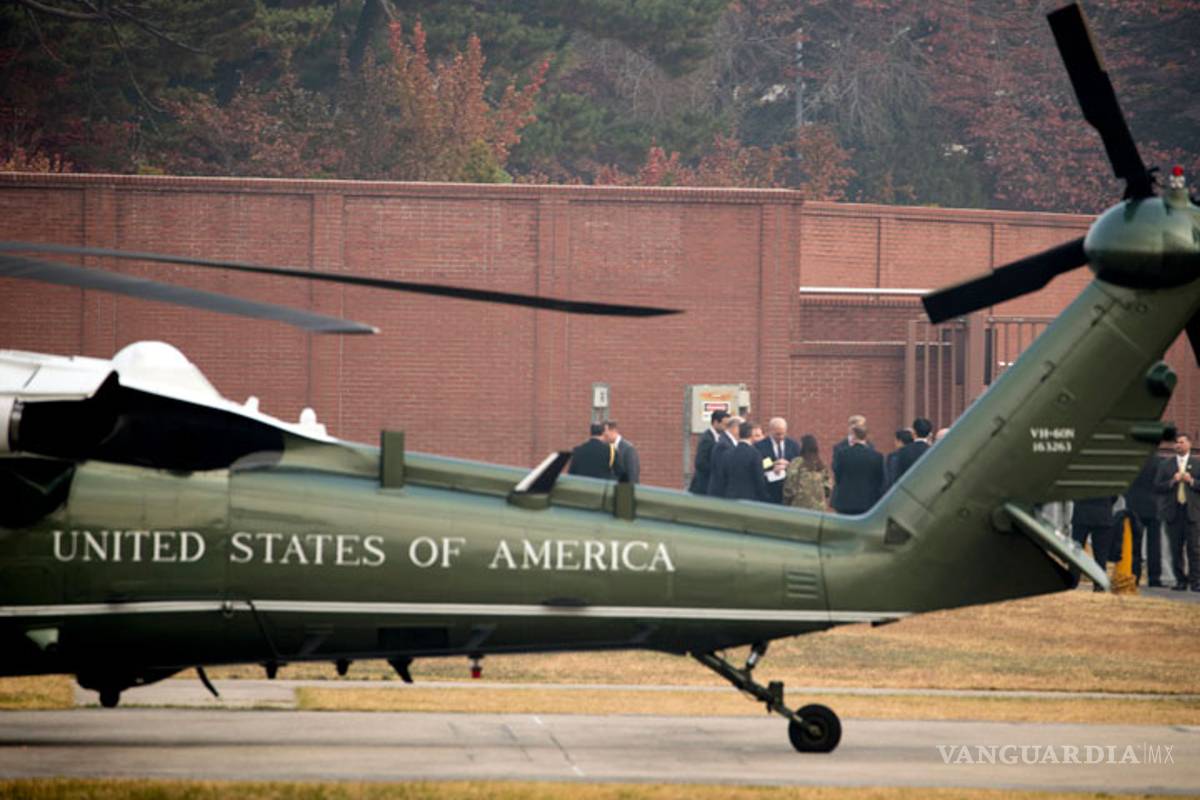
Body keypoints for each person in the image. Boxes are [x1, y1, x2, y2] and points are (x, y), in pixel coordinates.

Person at [1154, 433, 1200, 591]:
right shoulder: (1166, 464)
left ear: (1189, 444)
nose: (1178, 445)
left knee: (1194, 549)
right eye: (1176, 443)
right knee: (1176, 548)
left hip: (1191, 512)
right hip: (1173, 512)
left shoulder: (1197, 463)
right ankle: (1181, 581)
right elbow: (1158, 486)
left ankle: (1196, 582)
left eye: (1181, 442)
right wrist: (1172, 481)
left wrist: (1191, 481)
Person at [1126, 452, 1165, 586]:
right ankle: (1154, 578)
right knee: (1154, 545)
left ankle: (1134, 575)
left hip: (1134, 505)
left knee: (1134, 544)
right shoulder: (1160, 462)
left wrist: (1128, 499)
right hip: (1154, 507)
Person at [708, 420, 770, 501]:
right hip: (749, 498)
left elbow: (721, 477)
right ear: (751, 435)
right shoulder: (755, 454)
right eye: (757, 435)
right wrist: (766, 497)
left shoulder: (728, 453)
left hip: (729, 497)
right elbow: (759, 480)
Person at [830, 424, 884, 514]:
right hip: (868, 501)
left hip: (845, 501)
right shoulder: (877, 456)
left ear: (854, 435)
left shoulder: (842, 454)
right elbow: (880, 479)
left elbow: (837, 475)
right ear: (866, 437)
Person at [1070, 496, 1118, 588]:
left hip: (1081, 512)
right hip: (1103, 513)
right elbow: (1114, 495)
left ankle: (1072, 582)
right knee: (1101, 556)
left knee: (1075, 553)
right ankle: (1099, 585)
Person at [755, 416, 801, 504]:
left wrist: (789, 465)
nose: (781, 437)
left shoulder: (793, 445)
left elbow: (800, 464)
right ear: (770, 431)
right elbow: (758, 465)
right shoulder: (760, 446)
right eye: (777, 434)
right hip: (769, 490)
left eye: (783, 434)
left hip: (788, 489)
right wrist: (773, 464)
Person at [783, 434, 831, 511]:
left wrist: (786, 501)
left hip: (799, 508)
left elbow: (789, 487)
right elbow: (828, 488)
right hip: (819, 509)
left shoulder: (797, 463)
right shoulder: (821, 464)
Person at [689, 410, 728, 494]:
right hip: (703, 485)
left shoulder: (719, 437)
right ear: (715, 422)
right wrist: (716, 470)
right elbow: (700, 462)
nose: (726, 428)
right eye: (724, 425)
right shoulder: (707, 439)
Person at [889, 417, 933, 487]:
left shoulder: (903, 451)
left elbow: (896, 476)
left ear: (913, 432)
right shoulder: (932, 451)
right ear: (929, 434)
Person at [708, 415, 741, 494]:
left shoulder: (729, 442)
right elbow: (721, 470)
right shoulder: (724, 444)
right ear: (735, 428)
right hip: (722, 491)